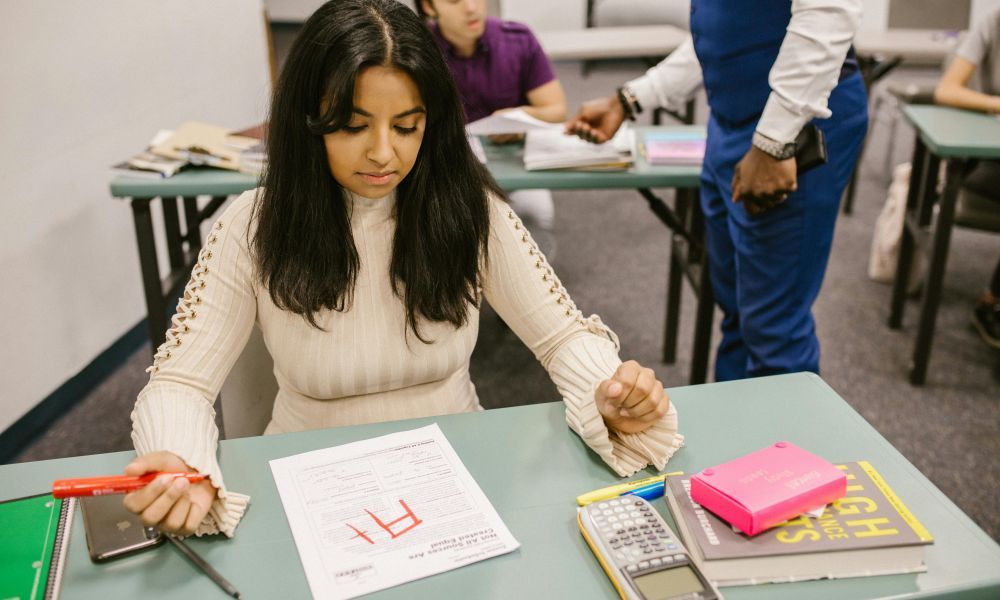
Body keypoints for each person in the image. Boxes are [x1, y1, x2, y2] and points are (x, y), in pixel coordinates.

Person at [121, 0, 680, 538]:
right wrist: (180, 464)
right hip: (309, 486)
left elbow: (561, 336)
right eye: (353, 126)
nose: (383, 154)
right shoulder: (253, 225)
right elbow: (180, 383)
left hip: (457, 475)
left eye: (407, 127)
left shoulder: (470, 208)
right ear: (309, 122)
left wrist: (609, 392)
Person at [567, 0, 868, 381]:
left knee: (774, 327)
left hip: (791, 129)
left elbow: (828, 12)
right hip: (731, 124)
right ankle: (739, 435)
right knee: (738, 308)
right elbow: (724, 28)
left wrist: (774, 141)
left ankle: (783, 437)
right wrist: (632, 98)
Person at [416, 0, 565, 258]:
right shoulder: (414, 50)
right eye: (454, 0)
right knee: (435, 225)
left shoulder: (518, 40)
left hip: (511, 165)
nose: (471, 7)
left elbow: (556, 110)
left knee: (534, 215)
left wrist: (519, 117)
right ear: (429, 6)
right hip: (443, 168)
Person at [933, 8, 1000, 349]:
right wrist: (995, 104)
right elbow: (947, 90)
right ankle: (993, 302)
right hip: (989, 163)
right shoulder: (994, 21)